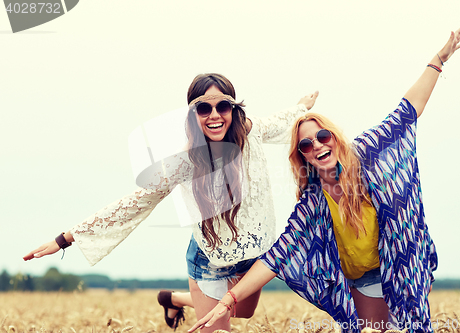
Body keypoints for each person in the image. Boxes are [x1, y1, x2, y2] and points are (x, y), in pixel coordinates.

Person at [188, 26, 460, 333]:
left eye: (322, 136)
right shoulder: (314, 201)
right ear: (303, 157)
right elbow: (278, 255)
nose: (317, 145)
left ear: (334, 136)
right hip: (361, 278)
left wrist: (438, 60)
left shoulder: (367, 152)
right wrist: (229, 299)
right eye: (306, 145)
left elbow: (407, 110)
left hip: (400, 263)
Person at [23, 73, 319, 332]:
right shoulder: (185, 162)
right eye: (204, 107)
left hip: (251, 251)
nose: (214, 114)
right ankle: (197, 298)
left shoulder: (250, 133)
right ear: (193, 114)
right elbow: (136, 202)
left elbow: (283, 120)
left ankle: (173, 298)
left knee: (244, 311)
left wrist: (301, 107)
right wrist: (65, 238)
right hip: (210, 258)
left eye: (222, 106)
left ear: (233, 109)